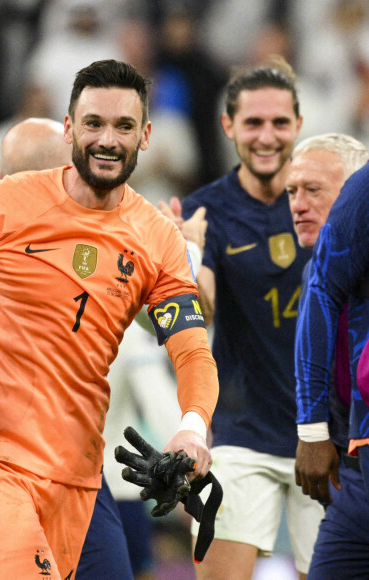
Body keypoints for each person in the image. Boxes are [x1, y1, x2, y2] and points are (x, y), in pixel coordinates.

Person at [0, 59, 219, 580]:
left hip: (77, 474)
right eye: (94, 124)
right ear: (69, 129)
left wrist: (192, 428)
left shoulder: (157, 240)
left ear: (146, 135)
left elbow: (192, 349)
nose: (107, 140)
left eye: (124, 126)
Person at [182, 56, 324, 580]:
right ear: (228, 126)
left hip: (325, 434)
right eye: (253, 123)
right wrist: (189, 259)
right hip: (239, 436)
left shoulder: (334, 201)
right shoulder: (205, 213)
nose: (267, 136)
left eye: (280, 123)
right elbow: (203, 310)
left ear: (299, 125)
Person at [291, 134, 369, 579]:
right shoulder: (316, 277)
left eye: (314, 190)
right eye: (292, 192)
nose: (298, 204)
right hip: (350, 470)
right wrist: (315, 433)